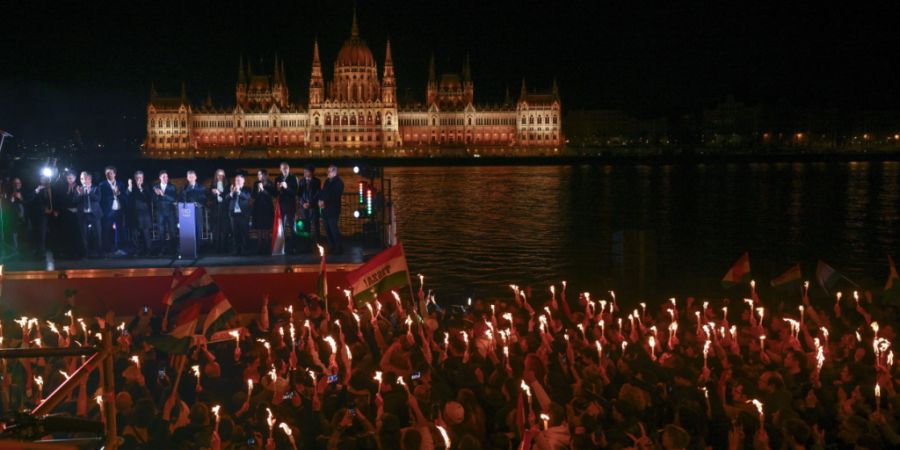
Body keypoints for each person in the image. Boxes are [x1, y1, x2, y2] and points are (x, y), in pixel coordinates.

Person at [99, 166, 127, 256]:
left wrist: (118, 193)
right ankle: (107, 250)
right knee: (106, 231)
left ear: (115, 174)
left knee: (120, 230)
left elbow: (125, 197)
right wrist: (112, 194)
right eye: (107, 173)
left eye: (111, 173)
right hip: (108, 211)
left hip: (119, 210)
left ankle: (119, 248)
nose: (109, 175)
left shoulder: (121, 184)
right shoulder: (102, 185)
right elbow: (101, 199)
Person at [317, 164, 344, 255]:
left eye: (329, 171)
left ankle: (338, 248)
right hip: (325, 209)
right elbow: (323, 192)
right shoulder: (327, 181)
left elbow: (335, 196)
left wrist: (324, 202)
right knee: (327, 230)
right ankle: (332, 247)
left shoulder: (339, 182)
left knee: (333, 229)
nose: (327, 172)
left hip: (333, 209)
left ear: (334, 172)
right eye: (327, 170)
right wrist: (320, 200)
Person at [75, 171, 101, 258]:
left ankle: (99, 253)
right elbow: (74, 200)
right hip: (83, 215)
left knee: (97, 234)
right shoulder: (78, 188)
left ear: (90, 179)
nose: (83, 180)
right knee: (83, 235)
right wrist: (80, 194)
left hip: (94, 214)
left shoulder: (96, 188)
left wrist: (90, 192)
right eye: (82, 179)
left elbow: (98, 199)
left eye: (85, 178)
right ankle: (85, 253)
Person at [127, 171, 153, 257]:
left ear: (143, 178)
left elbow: (148, 198)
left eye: (141, 177)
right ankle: (136, 251)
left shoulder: (147, 186)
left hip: (144, 215)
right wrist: (130, 187)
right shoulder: (131, 186)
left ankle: (148, 250)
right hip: (134, 215)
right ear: (135, 178)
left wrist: (140, 188)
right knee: (134, 235)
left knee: (146, 234)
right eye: (137, 178)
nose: (139, 179)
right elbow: (127, 195)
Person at [275, 162, 299, 254]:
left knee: (293, 227)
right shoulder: (278, 178)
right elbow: (276, 193)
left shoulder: (293, 178)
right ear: (280, 169)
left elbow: (295, 192)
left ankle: (294, 248)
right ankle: (282, 248)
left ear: (289, 169)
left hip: (290, 206)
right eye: (283, 168)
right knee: (281, 228)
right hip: (281, 206)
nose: (285, 170)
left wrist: (286, 187)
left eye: (286, 168)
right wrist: (278, 189)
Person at [180, 170, 206, 251]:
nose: (191, 178)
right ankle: (190, 247)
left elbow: (204, 198)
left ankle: (199, 247)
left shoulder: (201, 187)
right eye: (189, 177)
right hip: (188, 212)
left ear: (196, 177)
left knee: (198, 228)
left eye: (192, 177)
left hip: (198, 210)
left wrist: (198, 203)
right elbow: (181, 198)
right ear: (187, 178)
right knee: (189, 229)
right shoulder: (184, 187)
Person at [153, 170, 178, 256]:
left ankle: (174, 249)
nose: (165, 178)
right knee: (161, 232)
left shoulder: (172, 187)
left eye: (166, 176)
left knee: (172, 231)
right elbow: (153, 200)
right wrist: (156, 195)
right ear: (160, 178)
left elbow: (174, 199)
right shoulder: (155, 187)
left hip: (170, 212)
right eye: (163, 177)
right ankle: (162, 249)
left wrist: (164, 195)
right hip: (160, 213)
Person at [58, 171, 82, 258]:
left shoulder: (78, 187)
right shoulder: (63, 187)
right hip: (66, 212)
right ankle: (68, 252)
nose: (70, 179)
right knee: (67, 232)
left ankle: (78, 252)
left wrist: (77, 208)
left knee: (76, 233)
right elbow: (61, 199)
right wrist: (66, 208)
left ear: (75, 178)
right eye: (68, 178)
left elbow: (81, 200)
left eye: (71, 177)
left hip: (76, 213)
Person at [251, 169, 275, 255]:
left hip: (267, 209)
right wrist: (258, 190)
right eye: (258, 175)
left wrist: (263, 190)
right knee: (259, 228)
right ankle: (259, 246)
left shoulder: (270, 184)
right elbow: (253, 196)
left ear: (265, 175)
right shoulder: (256, 183)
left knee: (266, 229)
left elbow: (273, 195)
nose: (259, 176)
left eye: (260, 174)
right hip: (258, 209)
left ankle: (267, 247)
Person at [31, 173, 55, 258]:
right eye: (42, 179)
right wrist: (37, 190)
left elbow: (56, 199)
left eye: (46, 179)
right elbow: (32, 200)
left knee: (54, 232)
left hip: (53, 213)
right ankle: (41, 252)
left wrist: (55, 210)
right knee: (41, 233)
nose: (45, 180)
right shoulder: (38, 189)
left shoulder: (53, 188)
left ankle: (55, 250)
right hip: (42, 214)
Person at [298, 165, 321, 252]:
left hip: (313, 207)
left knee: (316, 225)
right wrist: (303, 203)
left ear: (311, 172)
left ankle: (318, 243)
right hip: (304, 207)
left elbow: (318, 194)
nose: (304, 173)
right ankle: (306, 245)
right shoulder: (301, 181)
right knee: (305, 226)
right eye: (304, 171)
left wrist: (310, 203)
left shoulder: (317, 181)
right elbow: (299, 194)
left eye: (306, 171)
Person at [209, 169, 231, 254]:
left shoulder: (227, 184)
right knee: (216, 229)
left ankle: (225, 247)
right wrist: (213, 193)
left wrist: (219, 192)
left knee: (225, 229)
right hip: (216, 208)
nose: (220, 176)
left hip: (224, 208)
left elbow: (228, 196)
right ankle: (217, 248)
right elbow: (209, 197)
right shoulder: (213, 184)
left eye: (222, 175)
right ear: (216, 175)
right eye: (219, 175)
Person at [228, 173, 251, 256]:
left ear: (243, 181)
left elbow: (247, 197)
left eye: (239, 180)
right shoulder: (232, 189)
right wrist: (231, 193)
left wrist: (239, 192)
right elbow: (226, 199)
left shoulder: (247, 189)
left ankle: (245, 249)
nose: (237, 182)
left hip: (243, 214)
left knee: (244, 232)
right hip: (234, 215)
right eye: (236, 180)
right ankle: (236, 250)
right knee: (235, 233)